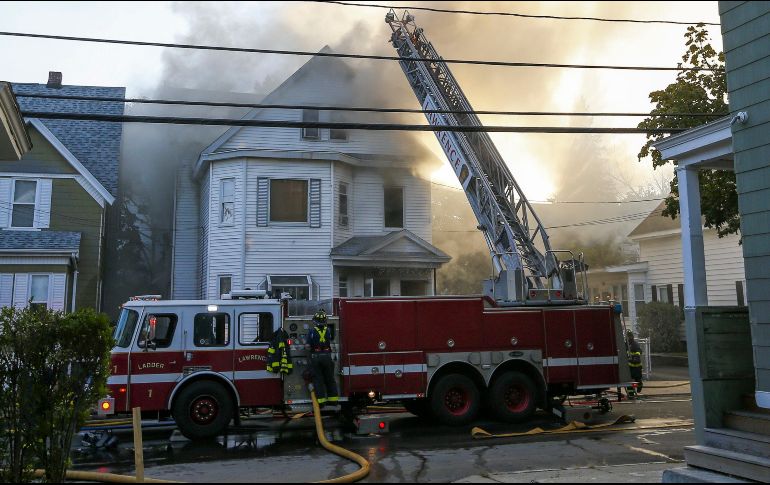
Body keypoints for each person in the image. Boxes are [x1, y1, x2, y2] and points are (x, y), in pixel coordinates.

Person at [307, 309, 339, 407]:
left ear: (315, 321)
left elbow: (308, 346)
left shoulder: (312, 331)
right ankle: (333, 400)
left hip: (316, 357)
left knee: (318, 380)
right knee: (330, 379)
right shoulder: (328, 330)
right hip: (327, 357)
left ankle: (321, 402)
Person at [626, 330, 644, 397]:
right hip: (630, 366)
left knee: (637, 379)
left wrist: (635, 357)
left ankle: (639, 387)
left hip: (637, 366)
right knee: (629, 381)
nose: (628, 338)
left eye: (629, 336)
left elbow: (639, 351)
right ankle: (631, 394)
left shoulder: (635, 344)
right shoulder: (627, 344)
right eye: (627, 337)